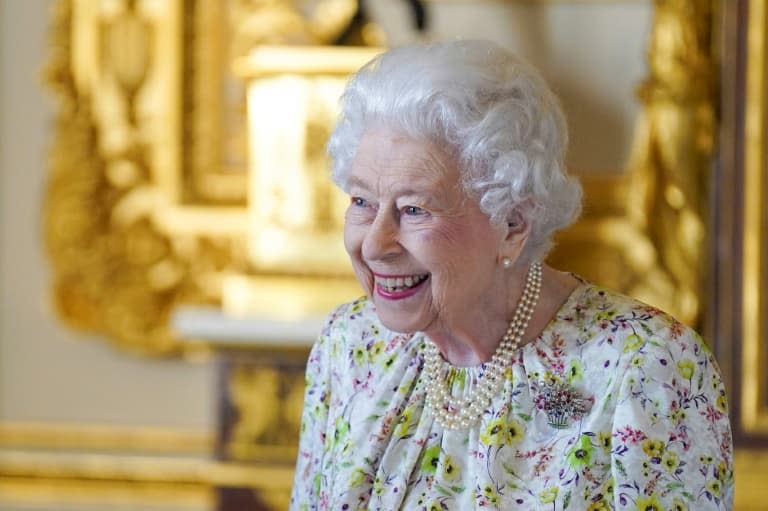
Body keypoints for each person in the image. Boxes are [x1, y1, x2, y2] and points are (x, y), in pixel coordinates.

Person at [290, 40, 733, 510]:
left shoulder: (645, 368)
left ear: (512, 225)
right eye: (362, 202)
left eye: (414, 209)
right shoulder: (350, 346)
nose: (375, 244)